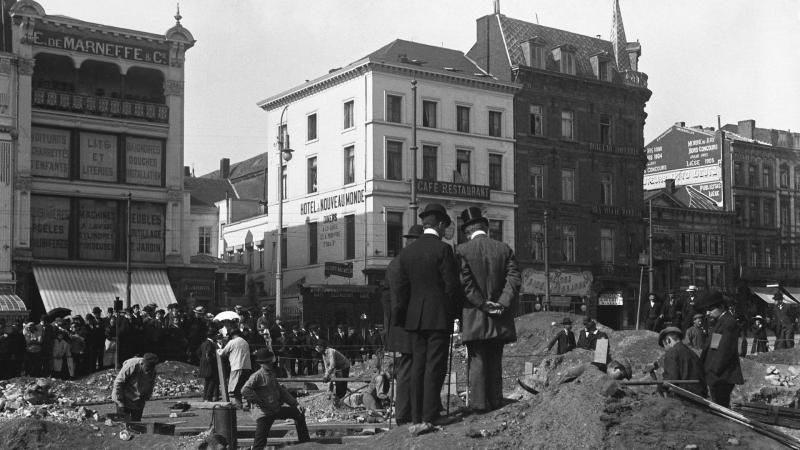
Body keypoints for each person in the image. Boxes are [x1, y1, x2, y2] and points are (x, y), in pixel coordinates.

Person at [393, 203, 461, 431]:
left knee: (418, 366)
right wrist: (454, 314)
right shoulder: (443, 250)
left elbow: (401, 290)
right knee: (435, 365)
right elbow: (451, 287)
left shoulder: (407, 252)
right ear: (440, 225)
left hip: (414, 319)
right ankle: (431, 414)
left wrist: (402, 317)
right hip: (438, 317)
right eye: (445, 227)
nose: (445, 232)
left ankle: (416, 414)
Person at [455, 207, 520, 413]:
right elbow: (514, 279)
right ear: (486, 228)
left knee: (477, 359)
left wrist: (482, 303)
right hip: (500, 316)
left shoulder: (462, 250)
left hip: (475, 316)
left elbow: (465, 283)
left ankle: (479, 404)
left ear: (467, 231)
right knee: (495, 358)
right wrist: (501, 302)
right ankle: (496, 400)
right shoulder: (504, 249)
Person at [384, 223, 422, 425]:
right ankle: (407, 412)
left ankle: (406, 411)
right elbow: (398, 298)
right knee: (409, 368)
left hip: (401, 325)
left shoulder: (396, 263)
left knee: (407, 368)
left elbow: (389, 298)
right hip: (409, 324)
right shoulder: (406, 263)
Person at [241, 349, 310, 450]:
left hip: (275, 409)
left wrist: (295, 404)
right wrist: (258, 401)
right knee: (259, 443)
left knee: (298, 413)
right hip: (264, 414)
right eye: (267, 362)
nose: (271, 364)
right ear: (261, 363)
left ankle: (305, 443)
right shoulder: (257, 376)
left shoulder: (272, 374)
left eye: (271, 361)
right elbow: (245, 390)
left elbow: (282, 391)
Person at [697, 291, 744, 408]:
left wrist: (712, 372)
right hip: (717, 375)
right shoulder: (720, 322)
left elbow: (724, 352)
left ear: (722, 307)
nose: (707, 312)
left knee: (720, 407)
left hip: (722, 377)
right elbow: (714, 346)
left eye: (711, 309)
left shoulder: (728, 323)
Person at [658, 326, 707, 397]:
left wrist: (661, 386)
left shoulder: (672, 352)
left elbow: (671, 379)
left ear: (668, 340)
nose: (665, 349)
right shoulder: (693, 353)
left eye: (664, 345)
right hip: (700, 394)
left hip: (685, 396)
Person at [112, 353, 159, 421]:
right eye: (146, 368)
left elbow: (150, 384)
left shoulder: (152, 371)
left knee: (136, 423)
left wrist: (145, 398)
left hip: (137, 399)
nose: (148, 371)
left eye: (150, 369)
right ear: (142, 363)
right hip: (124, 396)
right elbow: (118, 383)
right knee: (123, 422)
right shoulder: (131, 366)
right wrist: (120, 402)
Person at [217, 324, 252, 408]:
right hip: (247, 367)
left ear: (232, 335)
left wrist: (218, 350)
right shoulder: (245, 342)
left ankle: (238, 404)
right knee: (245, 387)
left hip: (237, 366)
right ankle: (249, 404)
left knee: (235, 387)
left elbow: (222, 353)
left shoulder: (232, 342)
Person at [315, 339, 350, 404]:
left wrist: (327, 375)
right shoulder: (323, 354)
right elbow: (326, 366)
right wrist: (326, 375)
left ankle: (341, 399)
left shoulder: (331, 351)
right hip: (338, 367)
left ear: (323, 347)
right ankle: (339, 398)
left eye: (319, 347)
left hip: (344, 366)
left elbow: (332, 365)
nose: (317, 349)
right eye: (317, 347)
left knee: (341, 382)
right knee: (337, 382)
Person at [198, 327, 220, 402]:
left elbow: (198, 353)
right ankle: (208, 397)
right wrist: (211, 360)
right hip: (210, 365)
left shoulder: (203, 343)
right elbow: (208, 353)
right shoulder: (210, 344)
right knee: (212, 381)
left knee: (207, 381)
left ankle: (205, 397)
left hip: (204, 365)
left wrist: (202, 360)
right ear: (213, 336)